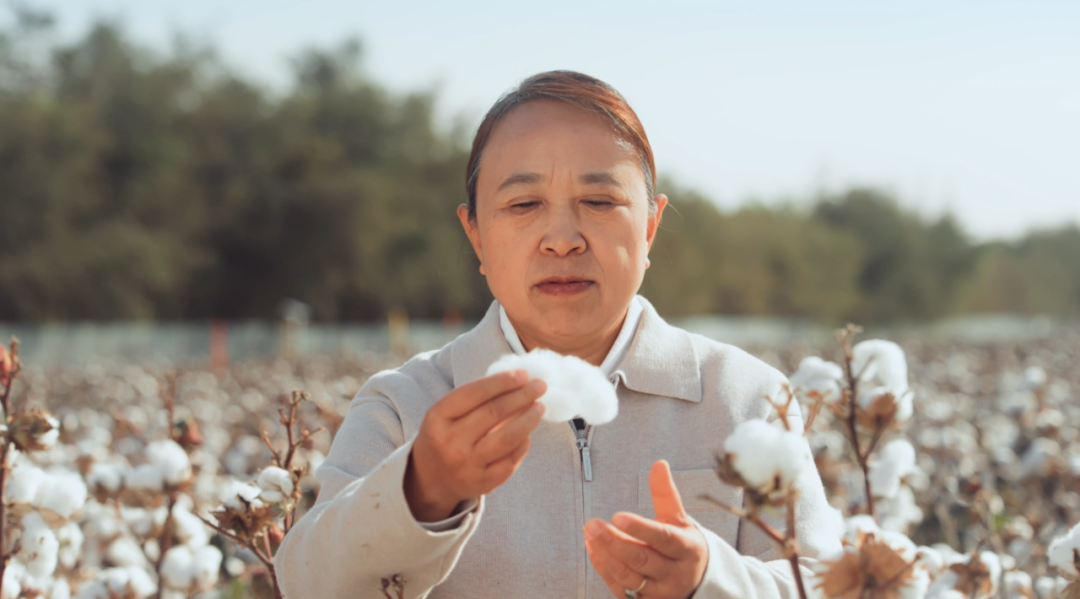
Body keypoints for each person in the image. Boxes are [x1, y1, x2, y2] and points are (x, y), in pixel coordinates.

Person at [275, 70, 841, 598]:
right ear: (475, 235)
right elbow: (304, 579)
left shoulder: (745, 398)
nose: (562, 239)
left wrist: (708, 580)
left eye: (599, 201)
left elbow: (826, 583)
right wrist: (422, 489)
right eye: (524, 204)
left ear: (650, 227)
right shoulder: (405, 404)